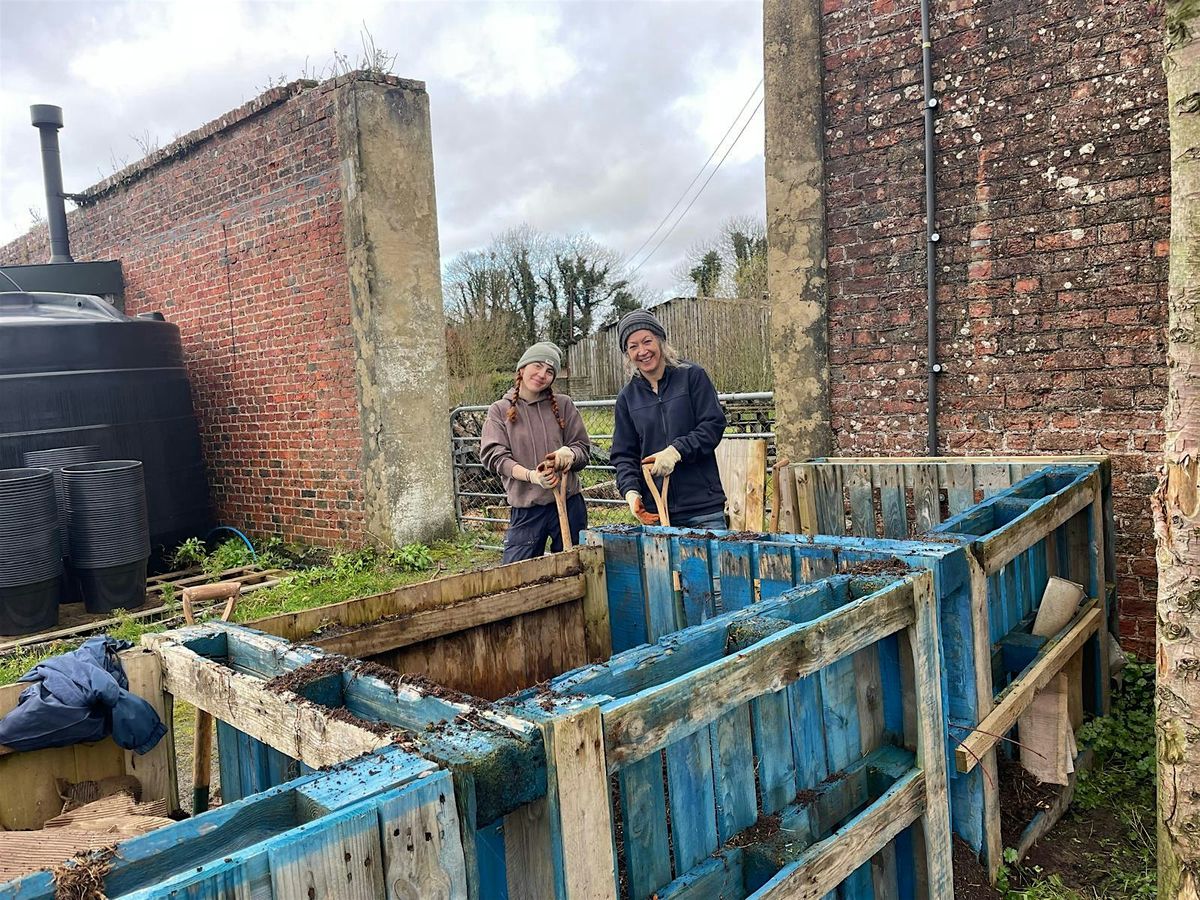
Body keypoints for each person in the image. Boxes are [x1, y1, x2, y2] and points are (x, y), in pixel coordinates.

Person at [610, 309, 728, 529]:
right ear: (627, 354)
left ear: (661, 341)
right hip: (656, 511)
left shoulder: (692, 376)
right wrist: (631, 492)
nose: (642, 351)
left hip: (702, 508)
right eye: (633, 346)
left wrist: (676, 451)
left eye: (647, 341)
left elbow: (713, 425)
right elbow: (624, 454)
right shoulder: (627, 398)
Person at [480, 341, 591, 562]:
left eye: (550, 371)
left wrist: (569, 454)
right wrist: (532, 476)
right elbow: (495, 456)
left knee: (577, 569)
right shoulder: (499, 410)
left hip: (568, 504)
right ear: (522, 368)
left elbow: (582, 449)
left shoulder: (564, 405)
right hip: (527, 508)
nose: (542, 374)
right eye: (537, 365)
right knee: (517, 577)